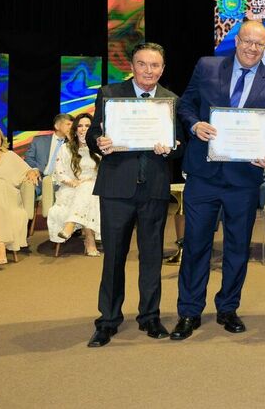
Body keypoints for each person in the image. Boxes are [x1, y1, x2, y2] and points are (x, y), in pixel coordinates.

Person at [171, 21, 265, 341]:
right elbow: (186, 104)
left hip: (244, 180)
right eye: (248, 41)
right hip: (204, 175)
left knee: (237, 248)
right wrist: (195, 126)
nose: (252, 48)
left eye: (259, 44)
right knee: (195, 246)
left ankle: (227, 308)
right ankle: (189, 311)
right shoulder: (207, 67)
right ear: (237, 41)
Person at [86, 42, 184, 348]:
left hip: (153, 189)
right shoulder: (110, 94)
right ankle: (108, 320)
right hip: (116, 187)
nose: (149, 71)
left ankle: (150, 317)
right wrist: (98, 141)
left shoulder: (171, 100)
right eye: (143, 64)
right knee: (114, 256)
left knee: (152, 256)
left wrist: (172, 147)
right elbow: (92, 134)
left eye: (155, 66)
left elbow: (179, 140)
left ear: (163, 69)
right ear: (132, 65)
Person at [0, 125, 39, 265]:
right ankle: (0, 243)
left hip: (9, 198)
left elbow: (29, 170)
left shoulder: (9, 156)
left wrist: (32, 172)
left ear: (1, 139)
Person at [49, 113, 102, 256]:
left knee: (89, 188)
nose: (83, 129)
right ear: (75, 128)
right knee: (86, 190)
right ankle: (89, 240)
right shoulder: (65, 148)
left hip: (95, 187)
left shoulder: (99, 149)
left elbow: (106, 173)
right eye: (80, 125)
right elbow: (59, 172)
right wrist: (73, 182)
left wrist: (91, 181)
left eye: (87, 126)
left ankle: (70, 224)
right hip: (71, 188)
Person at [24, 112, 73, 202]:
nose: (71, 127)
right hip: (40, 179)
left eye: (73, 125)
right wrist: (34, 169)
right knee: (28, 188)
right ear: (57, 126)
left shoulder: (73, 144)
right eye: (68, 124)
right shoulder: (39, 140)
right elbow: (28, 157)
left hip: (60, 181)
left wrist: (72, 141)